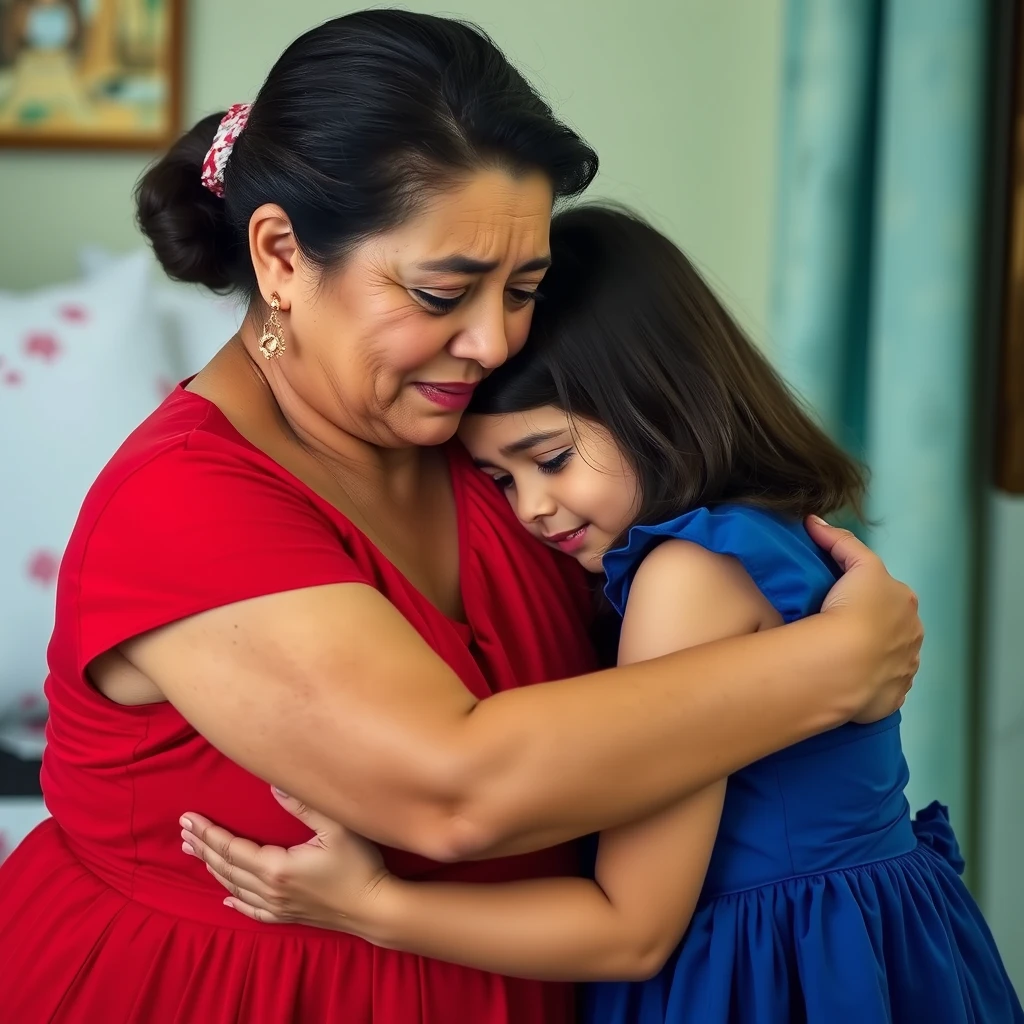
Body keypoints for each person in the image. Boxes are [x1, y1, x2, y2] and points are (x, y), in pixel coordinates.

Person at [0, 13, 921, 1024]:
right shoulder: (181, 504)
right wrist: (831, 668)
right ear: (279, 258)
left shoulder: (484, 442)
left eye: (521, 287)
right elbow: (453, 792)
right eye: (443, 292)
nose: (490, 341)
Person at [180, 207, 1017, 1024]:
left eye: (549, 458)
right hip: (874, 944)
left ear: (659, 397)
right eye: (501, 482)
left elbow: (629, 928)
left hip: (765, 972)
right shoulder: (757, 534)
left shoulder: (687, 574)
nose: (534, 509)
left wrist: (370, 905)